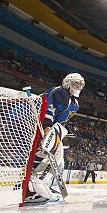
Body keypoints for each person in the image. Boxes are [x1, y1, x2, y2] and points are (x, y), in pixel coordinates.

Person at [25, 73, 84, 205]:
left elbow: (61, 121)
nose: (78, 87)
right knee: (51, 158)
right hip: (41, 127)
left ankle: (39, 186)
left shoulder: (75, 103)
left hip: (53, 132)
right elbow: (49, 109)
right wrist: (47, 127)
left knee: (58, 162)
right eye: (75, 84)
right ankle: (35, 187)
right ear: (67, 83)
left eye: (80, 85)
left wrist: (58, 134)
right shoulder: (60, 92)